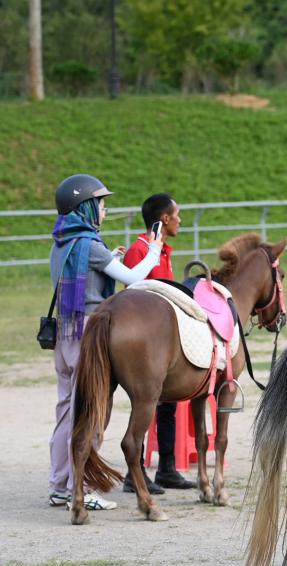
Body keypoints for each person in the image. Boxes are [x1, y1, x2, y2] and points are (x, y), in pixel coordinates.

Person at [47, 174, 164, 510]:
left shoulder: (62, 241)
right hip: (89, 333)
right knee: (91, 412)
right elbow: (134, 277)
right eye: (100, 204)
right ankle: (82, 487)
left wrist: (108, 256)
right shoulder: (90, 245)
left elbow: (80, 273)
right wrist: (154, 250)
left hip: (64, 332)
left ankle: (59, 485)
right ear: (84, 206)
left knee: (66, 411)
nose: (104, 209)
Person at [120, 193, 198, 494]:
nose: (180, 219)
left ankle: (167, 469)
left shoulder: (162, 250)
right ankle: (134, 472)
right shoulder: (139, 251)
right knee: (144, 403)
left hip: (165, 339)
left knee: (168, 405)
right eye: (177, 214)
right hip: (146, 343)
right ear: (165, 218)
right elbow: (132, 298)